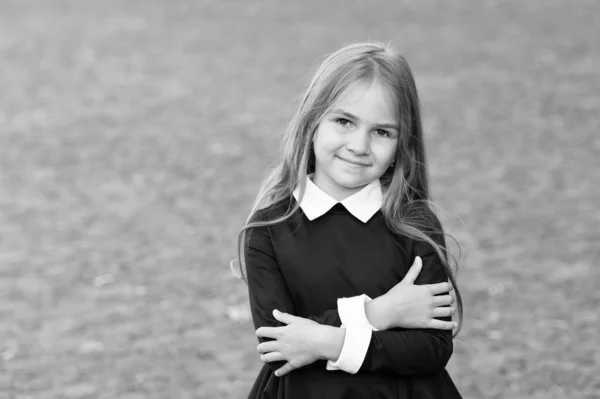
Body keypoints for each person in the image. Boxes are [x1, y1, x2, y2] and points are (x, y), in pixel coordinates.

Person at [231, 42, 464, 398]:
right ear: (312, 123)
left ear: (403, 144)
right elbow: (279, 342)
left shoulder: (414, 222)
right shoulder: (268, 230)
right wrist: (376, 314)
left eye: (382, 132)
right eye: (344, 121)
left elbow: (432, 349)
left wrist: (327, 340)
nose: (359, 145)